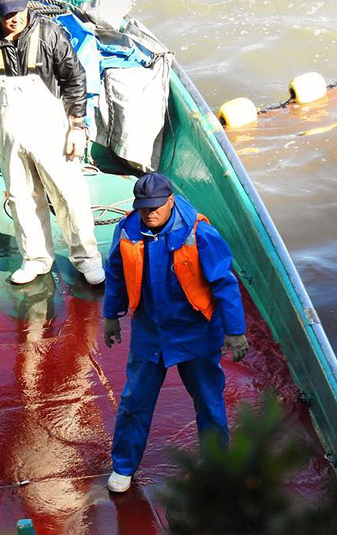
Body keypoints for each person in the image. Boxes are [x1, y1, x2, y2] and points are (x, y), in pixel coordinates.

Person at [102, 172, 249, 493]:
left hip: (195, 332)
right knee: (134, 400)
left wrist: (235, 331)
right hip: (149, 332)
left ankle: (216, 466)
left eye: (155, 206)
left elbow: (224, 283)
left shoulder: (200, 233)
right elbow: (114, 273)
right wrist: (110, 314)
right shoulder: (127, 229)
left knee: (209, 402)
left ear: (170, 201)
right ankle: (123, 466)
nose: (149, 213)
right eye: (143, 207)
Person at [0, 0, 104, 286]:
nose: (14, 19)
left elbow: (75, 80)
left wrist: (77, 127)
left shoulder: (50, 34)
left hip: (50, 130)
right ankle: (35, 259)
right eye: (7, 15)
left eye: (18, 12)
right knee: (21, 198)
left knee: (68, 195)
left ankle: (87, 258)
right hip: (11, 134)